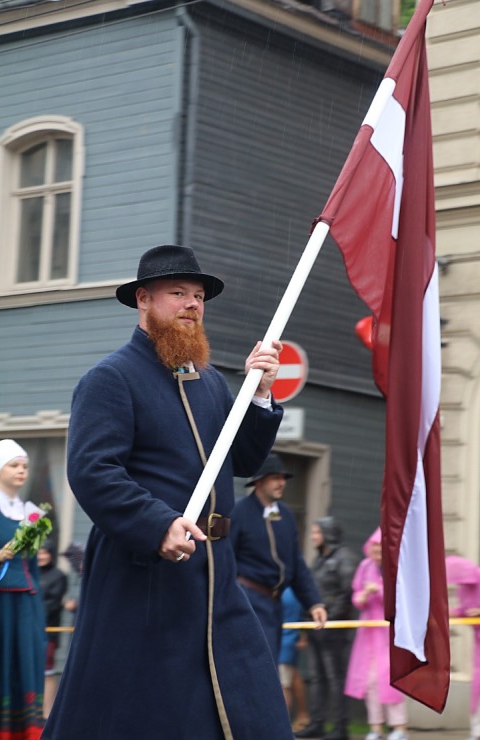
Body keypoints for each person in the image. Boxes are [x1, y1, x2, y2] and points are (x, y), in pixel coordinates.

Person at [42, 244, 296, 740]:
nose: (191, 305)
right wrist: (157, 523)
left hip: (216, 578)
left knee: (253, 709)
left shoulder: (212, 383)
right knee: (144, 715)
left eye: (198, 296)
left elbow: (243, 462)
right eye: (177, 293)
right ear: (143, 299)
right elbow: (93, 472)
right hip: (145, 578)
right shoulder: (110, 378)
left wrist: (260, 392)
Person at [230, 452, 326, 660]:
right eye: (275, 477)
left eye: (283, 478)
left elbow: (297, 564)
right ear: (259, 481)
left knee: (269, 663)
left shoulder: (285, 515)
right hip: (248, 600)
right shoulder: (239, 511)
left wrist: (314, 602)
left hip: (274, 604)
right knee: (253, 663)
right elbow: (226, 557)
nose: (281, 483)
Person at [0, 438, 46, 739]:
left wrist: (37, 599)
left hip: (26, 602)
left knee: (27, 658)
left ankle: (26, 732)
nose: (21, 471)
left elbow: (32, 565)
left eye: (24, 466)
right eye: (14, 465)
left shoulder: (31, 511)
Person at [295, 516, 357, 740]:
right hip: (316, 629)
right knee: (317, 677)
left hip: (334, 630)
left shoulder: (344, 558)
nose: (313, 536)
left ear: (328, 533)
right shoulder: (319, 560)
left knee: (335, 678)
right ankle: (317, 723)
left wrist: (330, 619)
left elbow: (347, 592)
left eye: (317, 532)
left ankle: (341, 728)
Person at [344, 527, 408, 740]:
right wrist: (362, 596)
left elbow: (402, 598)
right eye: (373, 548)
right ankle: (376, 727)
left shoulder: (397, 568)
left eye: (380, 548)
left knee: (392, 679)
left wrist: (379, 590)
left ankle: (399, 728)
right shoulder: (364, 566)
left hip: (390, 633)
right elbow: (356, 596)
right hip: (369, 634)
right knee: (370, 681)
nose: (376, 552)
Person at [445, 554, 480, 740]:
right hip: (478, 643)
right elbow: (465, 610)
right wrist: (452, 613)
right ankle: (476, 731)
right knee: (478, 687)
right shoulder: (462, 589)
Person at [37, 539, 68, 720]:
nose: (41, 556)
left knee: (47, 670)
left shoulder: (58, 576)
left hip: (49, 629)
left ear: (51, 554)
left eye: (45, 552)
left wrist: (32, 611)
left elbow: (53, 603)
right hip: (30, 629)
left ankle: (47, 711)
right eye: (39, 552)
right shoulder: (30, 572)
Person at [279, 586, 311, 732]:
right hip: (290, 641)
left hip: (282, 642)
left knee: (283, 685)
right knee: (292, 679)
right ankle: (303, 717)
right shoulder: (294, 591)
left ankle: (282, 725)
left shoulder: (278, 592)